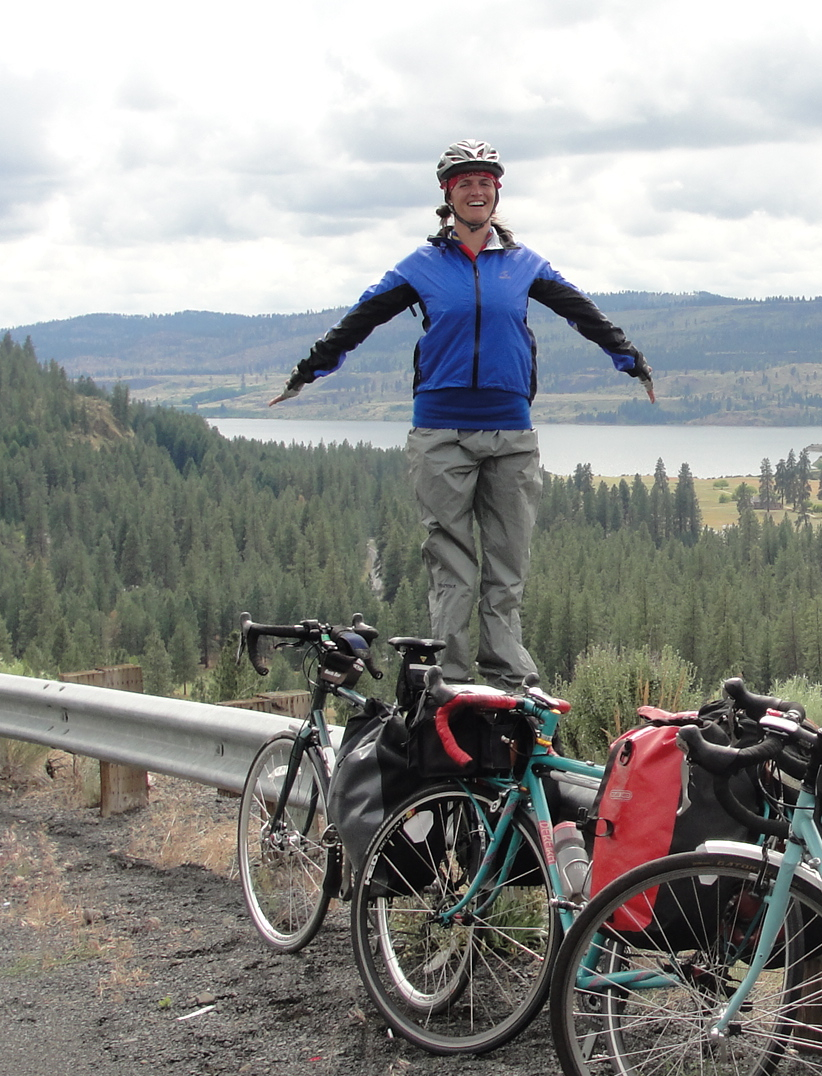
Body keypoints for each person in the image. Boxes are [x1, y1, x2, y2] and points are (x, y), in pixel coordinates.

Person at [274, 140, 655, 689]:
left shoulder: (525, 266)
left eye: (485, 182)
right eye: (464, 183)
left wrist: (631, 362)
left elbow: (582, 313)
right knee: (451, 566)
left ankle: (506, 680)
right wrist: (306, 374)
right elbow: (359, 320)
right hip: (440, 433)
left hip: (511, 433)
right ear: (447, 195)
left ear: (497, 193)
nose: (476, 191)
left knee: (507, 565)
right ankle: (449, 683)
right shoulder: (420, 267)